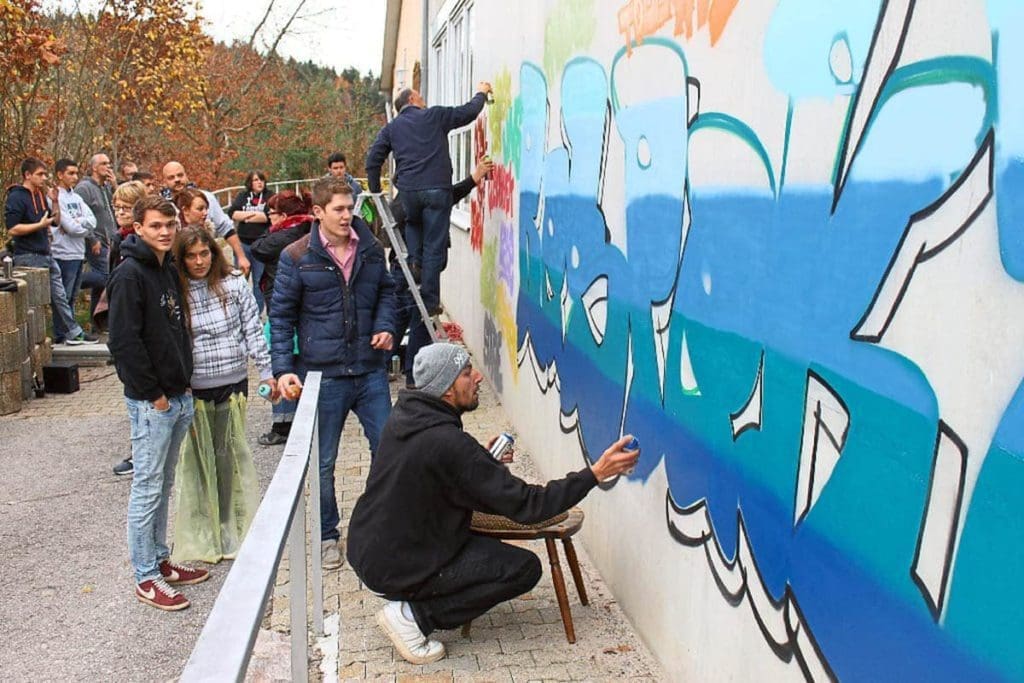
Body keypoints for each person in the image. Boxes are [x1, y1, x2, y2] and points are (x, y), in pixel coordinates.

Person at [346, 343, 640, 664]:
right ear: (447, 388)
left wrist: (484, 464)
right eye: (467, 373)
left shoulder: (406, 417)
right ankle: (414, 618)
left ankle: (412, 608)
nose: (478, 379)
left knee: (486, 547)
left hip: (369, 549)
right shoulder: (450, 444)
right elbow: (531, 506)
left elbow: (444, 476)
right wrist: (595, 473)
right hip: (398, 565)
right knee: (523, 569)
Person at [270, 177, 396, 570]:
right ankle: (327, 535)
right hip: (322, 378)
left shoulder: (371, 249)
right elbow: (281, 318)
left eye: (350, 207)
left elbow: (388, 293)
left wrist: (386, 325)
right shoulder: (296, 256)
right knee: (323, 463)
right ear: (318, 212)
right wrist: (283, 370)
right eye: (339, 209)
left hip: (369, 371)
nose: (347, 215)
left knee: (391, 451)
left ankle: (383, 529)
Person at [107, 195, 209, 611]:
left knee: (164, 484)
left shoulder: (167, 266)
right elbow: (124, 343)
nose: (165, 232)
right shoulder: (129, 274)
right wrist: (156, 395)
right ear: (138, 227)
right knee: (147, 488)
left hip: (178, 394)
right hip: (154, 404)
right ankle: (145, 576)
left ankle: (160, 560)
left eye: (169, 224)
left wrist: (181, 388)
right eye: (155, 226)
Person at [171, 225, 274, 563]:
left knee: (227, 454)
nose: (199, 261)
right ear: (181, 258)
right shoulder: (176, 290)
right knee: (199, 460)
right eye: (191, 255)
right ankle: (206, 530)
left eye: (204, 254)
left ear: (214, 254)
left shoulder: (232, 285)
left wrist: (267, 372)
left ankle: (230, 524)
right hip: (195, 384)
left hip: (231, 380)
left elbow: (252, 330)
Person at [365, 82, 492, 320]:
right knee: (435, 244)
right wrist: (481, 93)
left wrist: (375, 191)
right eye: (420, 97)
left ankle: (415, 264)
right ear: (411, 100)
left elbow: (373, 159)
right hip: (437, 190)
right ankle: (431, 300)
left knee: (414, 225)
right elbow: (468, 112)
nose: (424, 100)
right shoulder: (434, 116)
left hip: (409, 193)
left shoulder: (392, 129)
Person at [392, 159, 493, 389]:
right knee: (412, 321)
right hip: (408, 275)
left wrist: (473, 179)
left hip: (419, 273)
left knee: (414, 320)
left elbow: (446, 197)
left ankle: (408, 375)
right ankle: (411, 378)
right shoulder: (404, 205)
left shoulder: (418, 199)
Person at [5, 157, 99, 345]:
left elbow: (55, 221)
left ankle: (72, 332)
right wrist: (38, 225)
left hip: (47, 253)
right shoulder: (17, 196)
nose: (44, 177)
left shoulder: (42, 195)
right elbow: (13, 229)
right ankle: (43, 338)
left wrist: (55, 202)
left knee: (61, 296)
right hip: (28, 255)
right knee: (37, 301)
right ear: (28, 175)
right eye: (40, 174)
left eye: (45, 174)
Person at [250, 190, 314, 446]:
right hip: (303, 315)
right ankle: (298, 422)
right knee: (299, 367)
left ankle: (282, 426)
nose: (268, 219)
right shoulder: (310, 231)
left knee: (281, 366)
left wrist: (274, 229)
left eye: (271, 214)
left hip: (282, 311)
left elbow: (258, 248)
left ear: (284, 215)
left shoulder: (283, 236)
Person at [106, 180, 151, 477]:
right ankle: (139, 450)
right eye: (116, 207)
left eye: (126, 207)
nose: (120, 212)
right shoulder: (117, 241)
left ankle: (143, 454)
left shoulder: (144, 242)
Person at [160, 161, 250, 274]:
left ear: (186, 175)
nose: (177, 179)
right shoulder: (162, 206)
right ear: (164, 181)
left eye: (180, 175)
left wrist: (241, 257)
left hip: (207, 265)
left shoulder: (205, 198)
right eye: (171, 177)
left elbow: (226, 228)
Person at [52, 158, 97, 333]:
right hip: (63, 253)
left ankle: (69, 332)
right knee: (63, 296)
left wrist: (80, 225)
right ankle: (62, 332)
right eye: (70, 173)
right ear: (60, 174)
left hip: (79, 252)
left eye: (76, 173)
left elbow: (92, 220)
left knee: (72, 297)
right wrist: (80, 225)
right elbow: (70, 227)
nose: (75, 177)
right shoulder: (56, 198)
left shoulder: (77, 197)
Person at [74, 153, 118, 329]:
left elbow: (117, 206)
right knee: (107, 277)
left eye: (109, 163)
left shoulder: (105, 188)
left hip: (111, 240)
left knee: (101, 286)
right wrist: (91, 238)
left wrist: (114, 185)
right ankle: (74, 281)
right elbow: (79, 215)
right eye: (104, 163)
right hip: (96, 242)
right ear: (94, 167)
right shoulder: (84, 188)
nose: (108, 167)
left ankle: (98, 321)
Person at [227, 170, 271, 314]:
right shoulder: (243, 196)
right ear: (250, 183)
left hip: (261, 245)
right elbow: (232, 213)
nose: (259, 182)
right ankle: (239, 311)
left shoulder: (270, 197)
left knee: (259, 282)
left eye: (261, 180)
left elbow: (267, 217)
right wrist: (255, 215)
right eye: (256, 180)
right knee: (240, 279)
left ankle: (256, 314)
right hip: (243, 244)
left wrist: (245, 217)